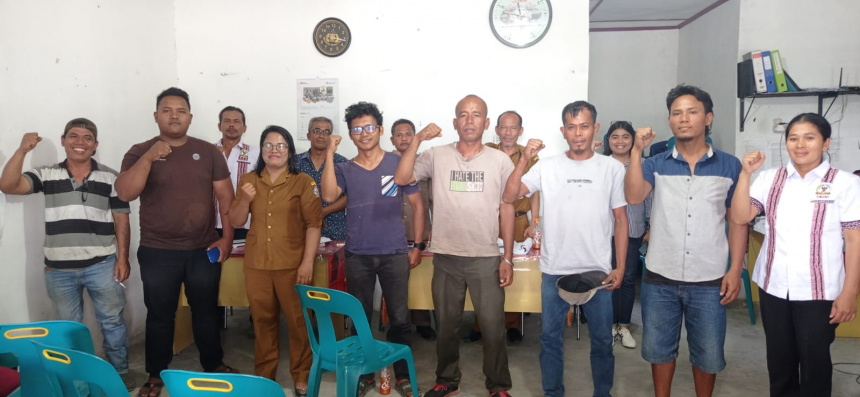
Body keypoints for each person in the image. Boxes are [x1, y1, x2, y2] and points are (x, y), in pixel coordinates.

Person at [624, 84, 746, 397]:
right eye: (677, 113)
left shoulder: (730, 165)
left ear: (708, 117)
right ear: (669, 120)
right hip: (660, 278)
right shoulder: (655, 164)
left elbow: (737, 221)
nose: (684, 118)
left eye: (692, 112)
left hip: (709, 279)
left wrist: (734, 270)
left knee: (708, 354)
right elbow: (634, 196)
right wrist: (636, 151)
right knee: (659, 351)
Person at [116, 87, 238, 397]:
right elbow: (125, 192)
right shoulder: (139, 150)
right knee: (160, 315)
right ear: (156, 116)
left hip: (202, 249)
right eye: (167, 110)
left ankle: (213, 365)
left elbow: (226, 197)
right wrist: (149, 157)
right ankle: (156, 375)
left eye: (181, 111)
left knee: (206, 311)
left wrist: (226, 239)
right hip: (158, 251)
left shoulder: (208, 152)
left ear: (190, 117)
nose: (174, 116)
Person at [730, 113, 860, 396]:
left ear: (826, 143)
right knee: (779, 363)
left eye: (809, 137)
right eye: (793, 138)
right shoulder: (770, 179)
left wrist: (850, 292)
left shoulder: (846, 183)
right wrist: (745, 174)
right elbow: (740, 216)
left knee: (815, 364)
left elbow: (854, 240)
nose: (800, 145)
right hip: (774, 287)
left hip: (819, 292)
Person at [503, 101, 627, 397]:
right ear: (563, 131)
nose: (578, 133)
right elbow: (509, 196)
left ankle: (603, 393)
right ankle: (553, 393)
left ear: (595, 128)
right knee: (550, 340)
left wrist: (620, 266)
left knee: (602, 342)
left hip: (598, 272)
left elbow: (621, 219)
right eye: (571, 127)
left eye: (584, 126)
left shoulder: (611, 167)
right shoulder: (547, 166)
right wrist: (524, 159)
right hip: (554, 270)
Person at [394, 94, 515, 397]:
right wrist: (418, 139)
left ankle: (498, 386)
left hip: (485, 257)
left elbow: (507, 207)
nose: (469, 120)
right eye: (463, 114)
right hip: (447, 256)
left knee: (493, 327)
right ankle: (447, 381)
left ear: (486, 123)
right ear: (455, 122)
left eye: (476, 114)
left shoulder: (500, 160)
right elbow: (402, 177)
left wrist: (508, 258)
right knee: (447, 327)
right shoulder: (436, 155)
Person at [0, 119, 132, 380]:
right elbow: (8, 185)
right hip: (58, 269)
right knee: (67, 329)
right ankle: (75, 379)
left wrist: (123, 259)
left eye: (87, 137)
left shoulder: (110, 177)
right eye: (73, 136)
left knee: (112, 321)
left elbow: (121, 220)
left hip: (102, 265)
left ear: (95, 145)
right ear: (63, 140)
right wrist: (22, 150)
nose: (80, 142)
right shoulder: (46, 174)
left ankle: (120, 372)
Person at [321, 102, 424, 397]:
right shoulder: (345, 168)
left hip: (394, 252)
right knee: (360, 318)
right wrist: (329, 153)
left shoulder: (397, 163)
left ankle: (402, 375)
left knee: (400, 318)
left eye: (369, 127)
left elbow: (418, 206)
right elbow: (328, 195)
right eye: (357, 129)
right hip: (358, 255)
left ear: (379, 130)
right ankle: (365, 373)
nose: (363, 133)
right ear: (350, 134)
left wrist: (417, 245)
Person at [229, 126, 321, 397]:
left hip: (293, 265)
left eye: (281, 145)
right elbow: (236, 220)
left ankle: (301, 376)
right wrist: (245, 199)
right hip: (257, 264)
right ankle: (265, 377)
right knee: (262, 322)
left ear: (289, 151)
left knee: (298, 322)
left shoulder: (303, 182)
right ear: (262, 150)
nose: (274, 150)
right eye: (268, 145)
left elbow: (314, 225)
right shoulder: (249, 180)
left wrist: (307, 263)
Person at [465, 110, 540, 345]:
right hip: (488, 220)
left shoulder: (529, 156)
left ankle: (513, 324)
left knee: (513, 270)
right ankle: (479, 324)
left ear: (520, 130)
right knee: (484, 273)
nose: (508, 132)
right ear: (496, 130)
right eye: (503, 127)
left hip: (518, 221)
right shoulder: (485, 151)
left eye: (513, 127)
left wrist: (535, 222)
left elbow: (535, 192)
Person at [601, 120, 650, 349]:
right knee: (608, 277)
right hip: (605, 231)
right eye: (615, 136)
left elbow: (650, 197)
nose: (620, 141)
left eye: (625, 137)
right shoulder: (600, 164)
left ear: (633, 140)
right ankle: (610, 326)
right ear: (608, 140)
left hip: (633, 229)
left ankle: (624, 326)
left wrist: (651, 226)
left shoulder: (643, 164)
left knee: (628, 278)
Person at [390, 118, 436, 341]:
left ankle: (423, 322)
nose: (404, 139)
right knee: (395, 282)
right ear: (392, 139)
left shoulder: (425, 163)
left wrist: (436, 225)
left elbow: (435, 198)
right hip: (393, 233)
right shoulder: (385, 162)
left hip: (420, 230)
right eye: (399, 135)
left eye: (408, 134)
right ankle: (398, 324)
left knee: (422, 278)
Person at [296, 116, 348, 240]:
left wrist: (324, 211)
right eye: (316, 131)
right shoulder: (294, 162)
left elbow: (350, 197)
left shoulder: (343, 163)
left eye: (326, 132)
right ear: (308, 135)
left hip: (335, 230)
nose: (321, 135)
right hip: (301, 229)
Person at [214, 106, 258, 240]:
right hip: (211, 223)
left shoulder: (256, 154)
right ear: (219, 126)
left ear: (244, 128)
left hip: (244, 224)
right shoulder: (209, 151)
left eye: (237, 121)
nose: (232, 125)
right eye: (227, 121)